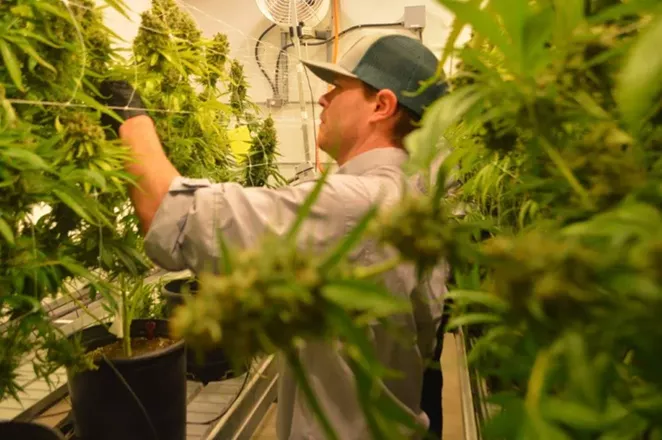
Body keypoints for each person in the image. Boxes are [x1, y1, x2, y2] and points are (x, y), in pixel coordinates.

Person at [100, 31, 448, 440]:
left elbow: (171, 213)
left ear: (381, 105)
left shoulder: (358, 206)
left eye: (337, 88)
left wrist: (130, 115)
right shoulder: (414, 196)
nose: (323, 99)